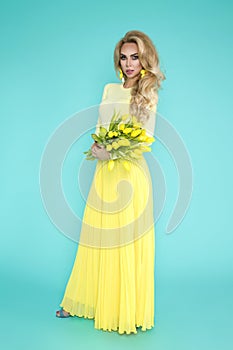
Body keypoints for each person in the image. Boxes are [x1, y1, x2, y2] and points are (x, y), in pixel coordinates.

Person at [56, 30, 165, 335]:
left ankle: (124, 312)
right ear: (118, 60)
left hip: (130, 175)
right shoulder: (108, 89)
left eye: (135, 57)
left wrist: (112, 150)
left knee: (125, 241)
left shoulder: (148, 93)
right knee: (97, 239)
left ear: (144, 60)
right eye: (124, 57)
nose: (129, 63)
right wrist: (97, 147)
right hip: (103, 175)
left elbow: (146, 140)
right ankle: (79, 302)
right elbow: (101, 127)